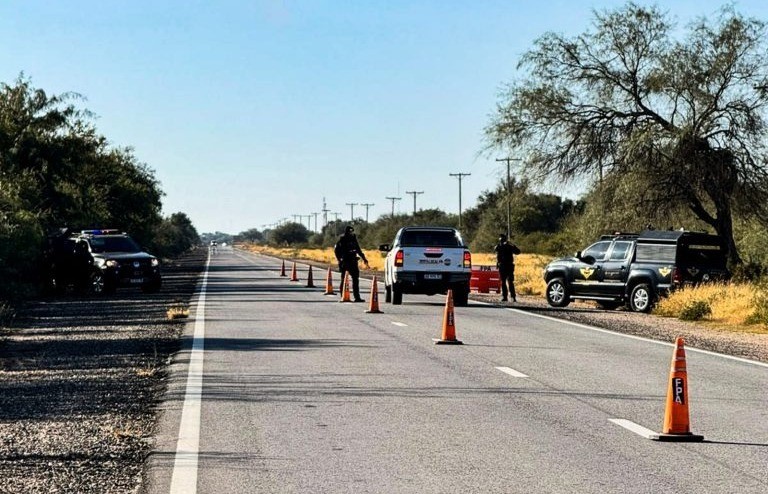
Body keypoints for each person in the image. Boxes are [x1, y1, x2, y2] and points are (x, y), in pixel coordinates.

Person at [334, 225, 369, 302]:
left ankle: (357, 297)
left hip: (353, 261)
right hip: (345, 262)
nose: (351, 233)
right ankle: (343, 295)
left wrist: (364, 258)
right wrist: (340, 259)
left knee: (355, 279)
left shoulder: (353, 239)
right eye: (350, 231)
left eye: (352, 231)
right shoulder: (342, 239)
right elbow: (336, 250)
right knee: (344, 279)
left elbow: (358, 249)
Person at [494, 233, 521, 302]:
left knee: (510, 282)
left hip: (508, 265)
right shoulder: (499, 246)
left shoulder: (509, 246)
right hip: (502, 266)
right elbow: (496, 250)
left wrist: (511, 245)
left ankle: (512, 297)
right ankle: (505, 297)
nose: (501, 241)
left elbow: (518, 252)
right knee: (504, 282)